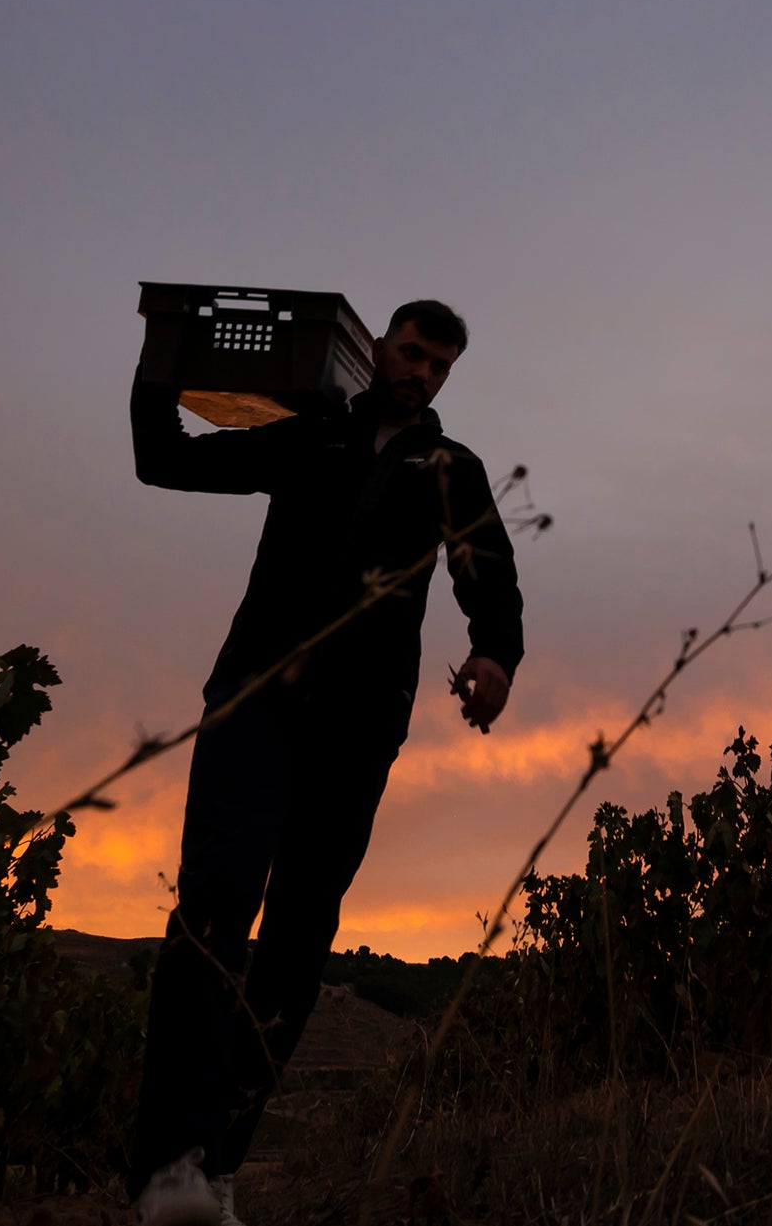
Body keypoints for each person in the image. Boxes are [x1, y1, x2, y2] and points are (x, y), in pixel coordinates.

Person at [126, 298, 522, 1226]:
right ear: (378, 345)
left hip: (358, 729)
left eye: (439, 366)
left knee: (298, 940)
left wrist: (494, 654)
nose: (420, 372)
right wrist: (158, 367)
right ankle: (166, 1168)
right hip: (255, 701)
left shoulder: (449, 469)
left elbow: (488, 570)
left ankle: (217, 1167)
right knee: (213, 914)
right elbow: (169, 459)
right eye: (412, 352)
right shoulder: (308, 435)